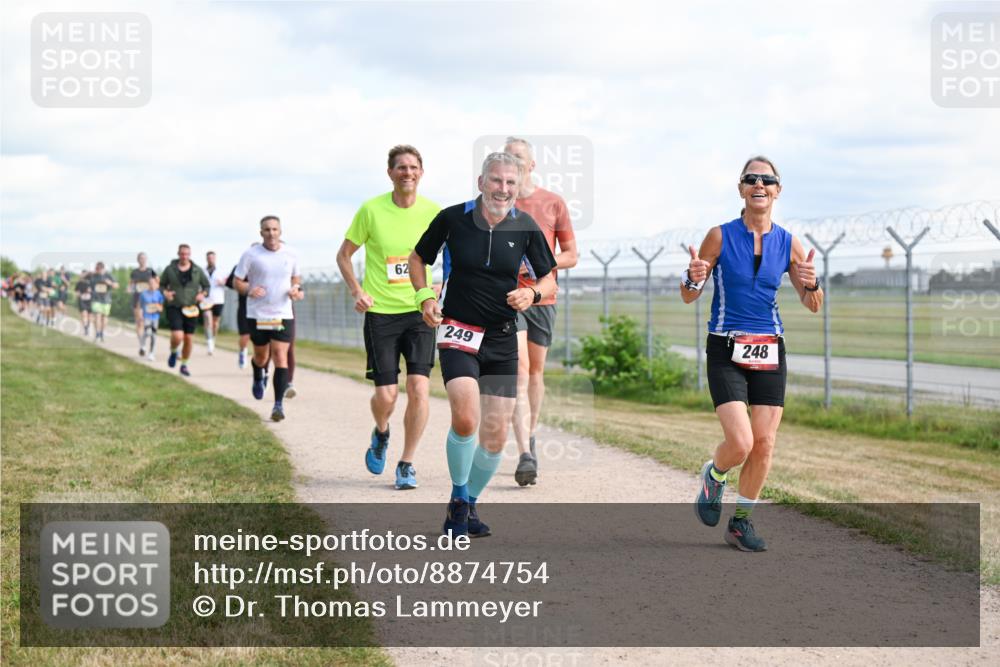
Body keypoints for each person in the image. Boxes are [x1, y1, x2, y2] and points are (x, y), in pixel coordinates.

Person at [409, 152, 557, 537]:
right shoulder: (452, 218)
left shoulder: (525, 226)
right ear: (481, 182)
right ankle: (458, 498)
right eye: (496, 181)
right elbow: (417, 259)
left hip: (503, 337)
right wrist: (425, 297)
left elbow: (549, 280)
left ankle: (468, 504)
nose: (503, 189)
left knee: (495, 436)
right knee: (465, 417)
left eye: (510, 182)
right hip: (458, 330)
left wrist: (533, 296)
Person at [684, 155, 822, 552]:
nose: (759, 184)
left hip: (769, 348)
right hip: (726, 346)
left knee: (765, 443)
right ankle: (715, 474)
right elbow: (688, 296)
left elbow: (813, 304)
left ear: (778, 190)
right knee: (741, 443)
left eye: (767, 179)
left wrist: (811, 284)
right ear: (741, 188)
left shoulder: (789, 242)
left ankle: (741, 522)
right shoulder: (720, 236)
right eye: (751, 179)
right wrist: (691, 277)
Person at [337, 144, 440, 490]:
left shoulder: (433, 212)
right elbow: (344, 255)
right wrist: (357, 291)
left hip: (419, 311)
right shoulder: (371, 210)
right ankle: (381, 432)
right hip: (380, 312)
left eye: (413, 167)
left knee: (419, 389)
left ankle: (407, 463)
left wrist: (440, 288)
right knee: (387, 396)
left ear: (421, 172)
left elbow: (455, 256)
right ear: (390, 173)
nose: (407, 173)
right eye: (400, 167)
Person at [503, 137, 579, 486]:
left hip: (543, 297)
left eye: (518, 159)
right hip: (507, 297)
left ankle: (530, 432)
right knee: (518, 371)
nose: (513, 164)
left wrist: (542, 264)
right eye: (507, 159)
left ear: (531, 165)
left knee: (535, 372)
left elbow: (571, 254)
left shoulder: (552, 203)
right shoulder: (497, 203)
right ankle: (524, 453)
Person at [234, 216, 303, 422]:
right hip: (258, 314)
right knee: (262, 357)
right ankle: (258, 373)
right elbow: (237, 281)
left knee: (280, 356)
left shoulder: (291, 254)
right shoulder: (251, 254)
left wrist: (295, 290)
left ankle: (278, 404)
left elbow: (296, 279)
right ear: (261, 232)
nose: (271, 233)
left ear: (280, 231)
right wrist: (248, 289)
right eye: (267, 230)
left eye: (274, 229)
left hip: (282, 313)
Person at [159, 244, 210, 377]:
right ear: (178, 254)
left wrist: (202, 294)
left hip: (191, 308)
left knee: (188, 338)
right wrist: (165, 293)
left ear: (190, 255)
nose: (184, 256)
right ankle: (174, 351)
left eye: (187, 254)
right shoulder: (170, 269)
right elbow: (161, 285)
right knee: (177, 336)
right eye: (182, 254)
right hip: (174, 306)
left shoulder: (197, 270)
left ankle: (184, 365)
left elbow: (206, 286)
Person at [225, 262, 253, 369]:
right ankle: (242, 352)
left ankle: (262, 365)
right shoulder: (241, 267)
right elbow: (228, 282)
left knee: (262, 340)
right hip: (245, 307)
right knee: (245, 335)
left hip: (264, 309)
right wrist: (241, 284)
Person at [129, 252, 157, 353]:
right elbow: (131, 285)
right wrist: (129, 289)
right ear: (138, 260)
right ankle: (142, 345)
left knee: (148, 323)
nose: (142, 260)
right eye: (140, 258)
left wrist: (152, 288)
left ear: (146, 259)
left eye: (144, 258)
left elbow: (157, 283)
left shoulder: (150, 271)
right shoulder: (134, 272)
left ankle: (147, 340)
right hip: (137, 299)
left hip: (149, 300)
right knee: (139, 322)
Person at [88, 263, 119, 342]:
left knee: (104, 318)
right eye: (97, 269)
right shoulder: (93, 276)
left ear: (103, 268)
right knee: (97, 316)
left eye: (99, 268)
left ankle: (102, 332)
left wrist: (110, 283)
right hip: (96, 299)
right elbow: (88, 284)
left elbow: (116, 286)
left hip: (106, 299)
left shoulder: (109, 276)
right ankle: (97, 334)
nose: (98, 270)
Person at [203, 250, 226, 355]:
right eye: (209, 258)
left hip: (218, 299)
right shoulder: (203, 271)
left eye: (212, 258)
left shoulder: (221, 270)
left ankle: (213, 338)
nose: (210, 260)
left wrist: (223, 282)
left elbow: (228, 282)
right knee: (208, 319)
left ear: (215, 259)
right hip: (206, 299)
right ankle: (209, 344)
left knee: (215, 323)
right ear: (206, 259)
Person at [139, 276, 164, 360]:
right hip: (146, 316)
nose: (152, 285)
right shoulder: (143, 294)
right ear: (148, 284)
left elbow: (161, 308)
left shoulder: (159, 294)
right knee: (148, 332)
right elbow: (140, 306)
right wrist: (140, 316)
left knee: (153, 335)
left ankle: (151, 353)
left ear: (157, 285)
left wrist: (158, 307)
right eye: (150, 283)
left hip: (155, 317)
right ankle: (143, 346)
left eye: (154, 283)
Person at [75, 271, 93, 335]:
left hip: (90, 300)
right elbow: (76, 291)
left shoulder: (91, 282)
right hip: (82, 300)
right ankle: (85, 328)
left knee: (90, 316)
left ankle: (89, 326)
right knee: (84, 314)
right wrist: (78, 295)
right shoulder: (79, 283)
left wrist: (91, 291)